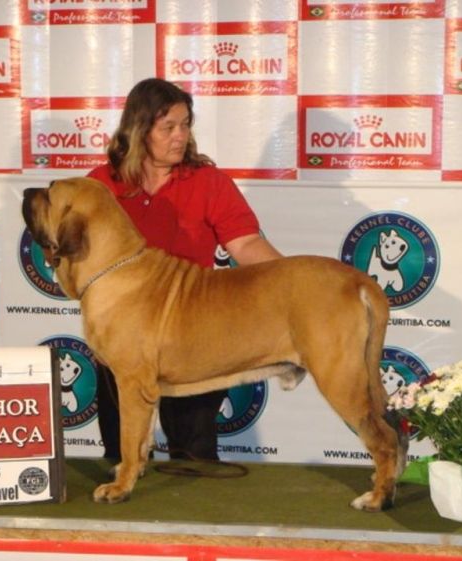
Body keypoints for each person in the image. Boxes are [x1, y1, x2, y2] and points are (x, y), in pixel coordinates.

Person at [87, 77, 282, 462]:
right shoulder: (100, 184)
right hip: (122, 334)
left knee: (195, 453)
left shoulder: (209, 182)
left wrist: (298, 282)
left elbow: (246, 245)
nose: (181, 136)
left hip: (194, 333)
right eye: (169, 127)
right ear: (139, 129)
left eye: (185, 125)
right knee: (119, 452)